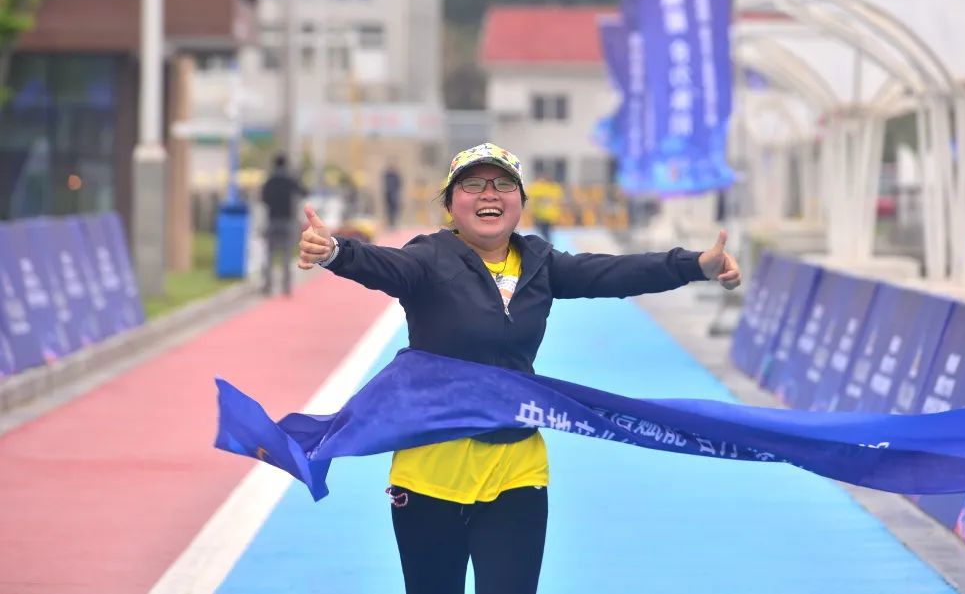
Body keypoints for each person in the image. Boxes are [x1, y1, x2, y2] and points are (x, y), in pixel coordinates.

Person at [297, 142, 741, 594]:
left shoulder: (540, 263)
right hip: (429, 475)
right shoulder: (428, 258)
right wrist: (335, 252)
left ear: (520, 202)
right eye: (472, 184)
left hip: (516, 470)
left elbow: (614, 272)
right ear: (450, 205)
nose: (489, 193)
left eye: (504, 184)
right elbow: (382, 265)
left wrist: (696, 265)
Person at [260, 152, 307, 296]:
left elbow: (263, 198)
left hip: (272, 219)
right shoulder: (290, 179)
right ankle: (286, 287)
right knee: (287, 254)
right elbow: (304, 192)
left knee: (269, 254)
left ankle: (268, 285)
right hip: (287, 220)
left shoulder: (269, 180)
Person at [527, 171, 564, 242]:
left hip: (548, 216)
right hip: (540, 214)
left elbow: (558, 202)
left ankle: (546, 244)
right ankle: (546, 243)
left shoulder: (553, 188)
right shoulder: (539, 187)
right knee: (543, 232)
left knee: (545, 232)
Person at [383, 162, 403, 229]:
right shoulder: (387, 175)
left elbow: (399, 184)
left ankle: (394, 223)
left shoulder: (395, 176)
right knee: (388, 209)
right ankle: (389, 222)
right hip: (388, 193)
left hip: (394, 193)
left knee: (394, 209)